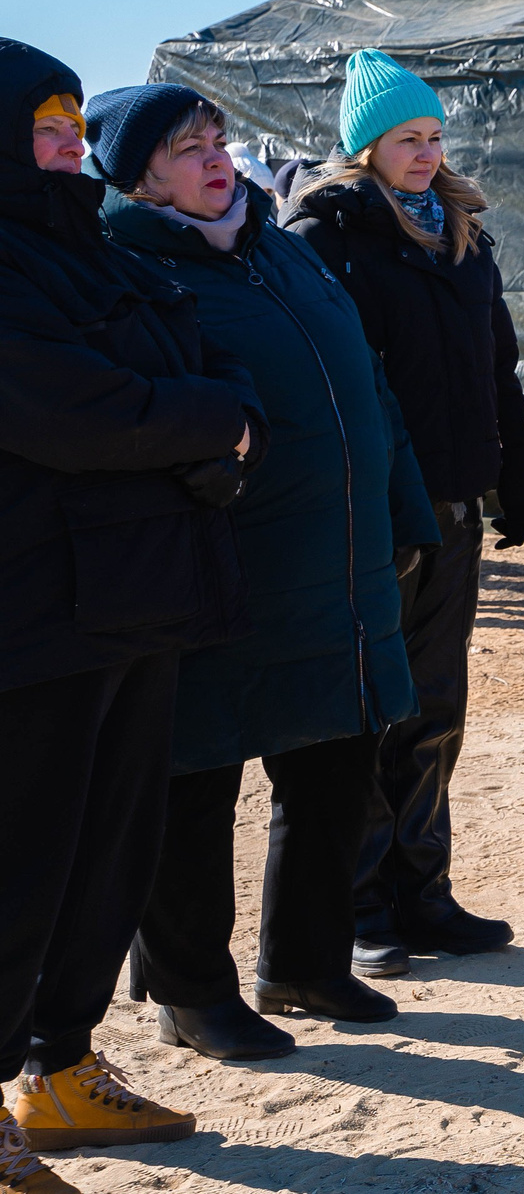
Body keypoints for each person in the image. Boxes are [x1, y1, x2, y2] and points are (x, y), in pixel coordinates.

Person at [90, 87, 436, 1061]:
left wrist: (405, 508)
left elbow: (365, 383)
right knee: (193, 785)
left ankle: (306, 964)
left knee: (333, 768)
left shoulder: (276, 247)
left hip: (336, 563)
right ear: (133, 175)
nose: (213, 158)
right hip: (217, 572)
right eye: (184, 148)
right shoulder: (121, 269)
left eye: (215, 139)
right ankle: (192, 991)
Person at [0, 44, 260, 1181]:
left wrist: (202, 437)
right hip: (37, 618)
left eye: (72, 124)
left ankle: (59, 1067)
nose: (69, 147)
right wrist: (197, 429)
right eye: (46, 129)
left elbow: (215, 383)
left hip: (138, 600)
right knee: (20, 865)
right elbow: (78, 415)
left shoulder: (95, 257)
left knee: (105, 858)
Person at [283, 49, 524, 976]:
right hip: (374, 508)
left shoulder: (464, 233)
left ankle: (424, 891)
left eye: (435, 135)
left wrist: (517, 471)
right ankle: (362, 905)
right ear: (365, 148)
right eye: (407, 138)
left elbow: (495, 364)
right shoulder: (327, 236)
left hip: (455, 497)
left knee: (437, 701)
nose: (428, 153)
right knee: (374, 705)